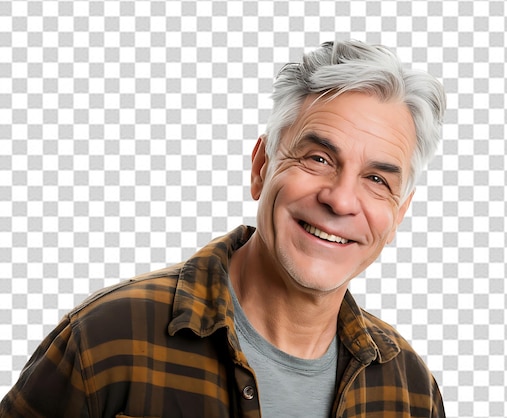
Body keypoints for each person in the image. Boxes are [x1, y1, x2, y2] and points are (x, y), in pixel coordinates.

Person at [1, 40, 446, 417]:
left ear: (399, 214)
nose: (341, 199)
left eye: (376, 180)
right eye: (318, 158)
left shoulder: (410, 391)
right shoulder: (106, 341)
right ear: (261, 166)